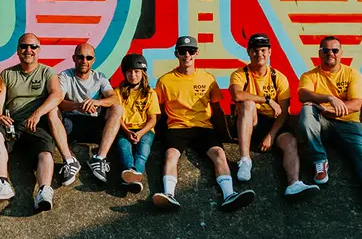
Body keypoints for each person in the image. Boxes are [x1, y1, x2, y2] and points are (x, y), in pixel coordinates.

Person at [152, 36, 254, 212]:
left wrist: (226, 135)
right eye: (183, 51)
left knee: (219, 153)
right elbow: (158, 111)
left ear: (196, 53)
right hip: (177, 127)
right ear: (176, 54)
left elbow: (217, 109)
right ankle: (169, 195)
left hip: (203, 127)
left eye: (191, 51)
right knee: (170, 155)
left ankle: (229, 195)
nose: (187, 55)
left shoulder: (208, 78)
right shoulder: (164, 81)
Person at [298, 36, 362, 208]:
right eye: (326, 50)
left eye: (335, 50)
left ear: (341, 53)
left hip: (349, 124)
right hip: (321, 123)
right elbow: (303, 94)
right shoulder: (310, 75)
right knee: (306, 110)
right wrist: (330, 98)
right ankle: (319, 160)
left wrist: (326, 109)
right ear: (319, 53)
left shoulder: (352, 74)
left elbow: (356, 104)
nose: (330, 53)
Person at [229, 34, 319, 198]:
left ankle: (293, 184)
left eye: (263, 50)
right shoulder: (240, 74)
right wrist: (267, 100)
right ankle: (245, 160)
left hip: (273, 122)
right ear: (248, 52)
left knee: (290, 141)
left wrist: (271, 135)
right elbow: (237, 95)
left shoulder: (279, 77)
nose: (259, 54)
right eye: (255, 50)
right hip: (252, 121)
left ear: (269, 52)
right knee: (248, 104)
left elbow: (283, 113)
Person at [0, 33, 65, 212]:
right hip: (12, 122)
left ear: (39, 49)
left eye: (33, 46)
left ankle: (44, 191)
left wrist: (37, 114)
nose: (28, 50)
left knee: (46, 152)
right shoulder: (7, 74)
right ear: (17, 50)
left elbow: (57, 95)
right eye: (23, 46)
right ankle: (2, 183)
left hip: (36, 123)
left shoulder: (47, 72)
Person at [57, 42, 123, 183]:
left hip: (94, 123)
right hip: (71, 123)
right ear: (74, 58)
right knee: (52, 109)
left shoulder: (100, 77)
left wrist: (97, 102)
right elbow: (58, 101)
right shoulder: (65, 76)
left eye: (88, 58)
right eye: (80, 57)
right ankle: (69, 161)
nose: (84, 61)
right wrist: (77, 106)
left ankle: (99, 158)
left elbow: (114, 98)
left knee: (117, 108)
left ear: (94, 60)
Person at [114, 53, 159, 194]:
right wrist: (127, 131)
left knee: (143, 150)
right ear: (124, 73)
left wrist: (140, 133)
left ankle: (135, 175)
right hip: (124, 128)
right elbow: (116, 117)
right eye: (129, 72)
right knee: (123, 147)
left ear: (143, 73)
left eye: (136, 72)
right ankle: (130, 171)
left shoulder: (150, 93)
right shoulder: (118, 92)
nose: (133, 75)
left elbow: (153, 120)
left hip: (144, 129)